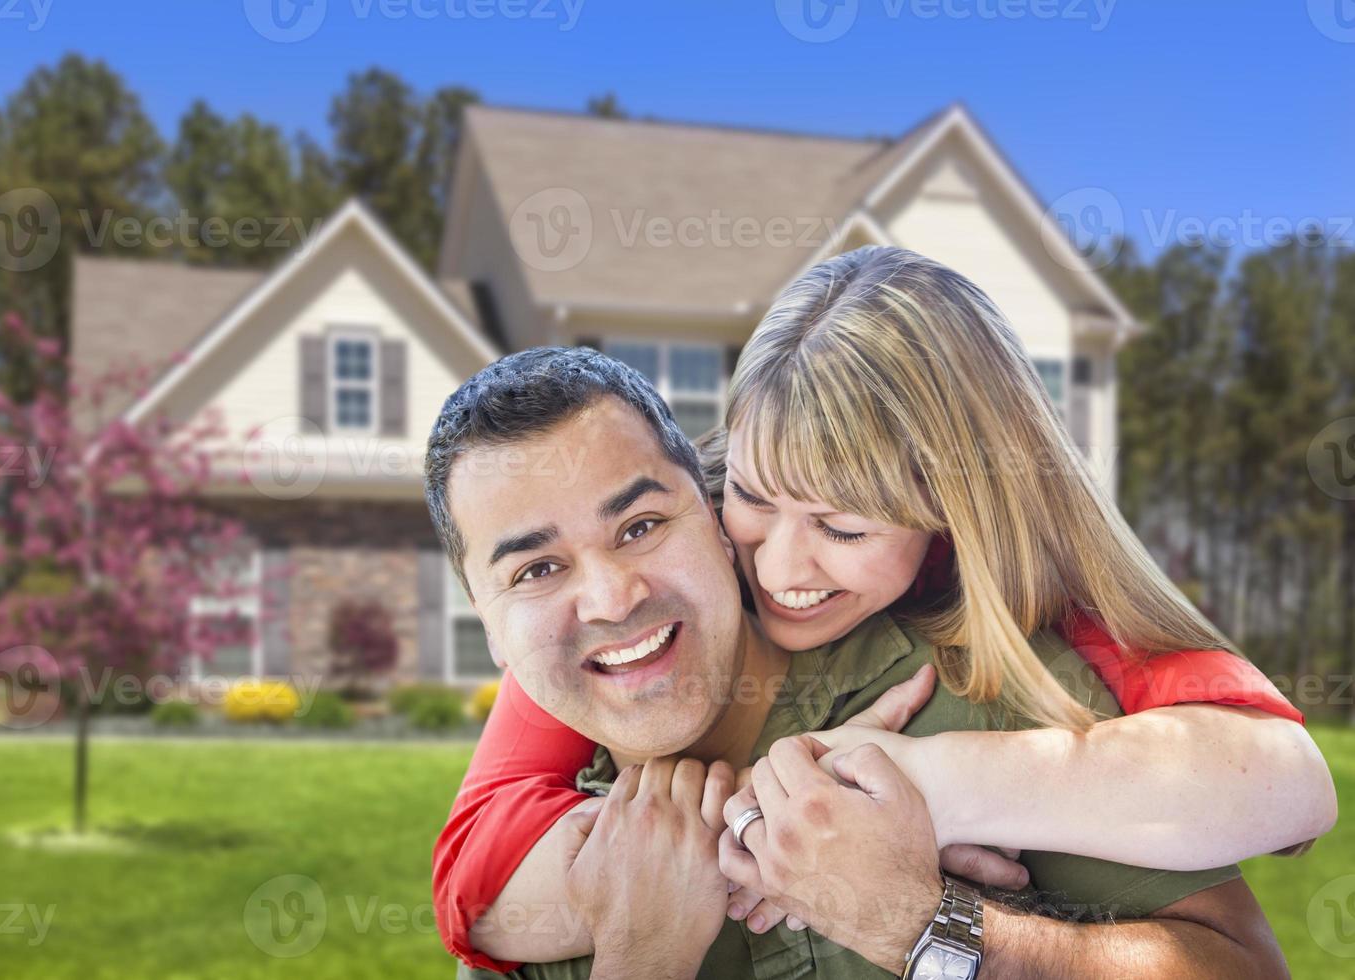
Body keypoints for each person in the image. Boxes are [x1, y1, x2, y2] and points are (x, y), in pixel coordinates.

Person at [434, 248, 1333, 974]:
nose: (778, 562)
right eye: (751, 497)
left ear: (950, 514)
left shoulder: (1006, 642)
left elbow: (1286, 787)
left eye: (842, 525)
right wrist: (731, 847)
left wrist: (918, 797)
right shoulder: (638, 591)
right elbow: (471, 871)